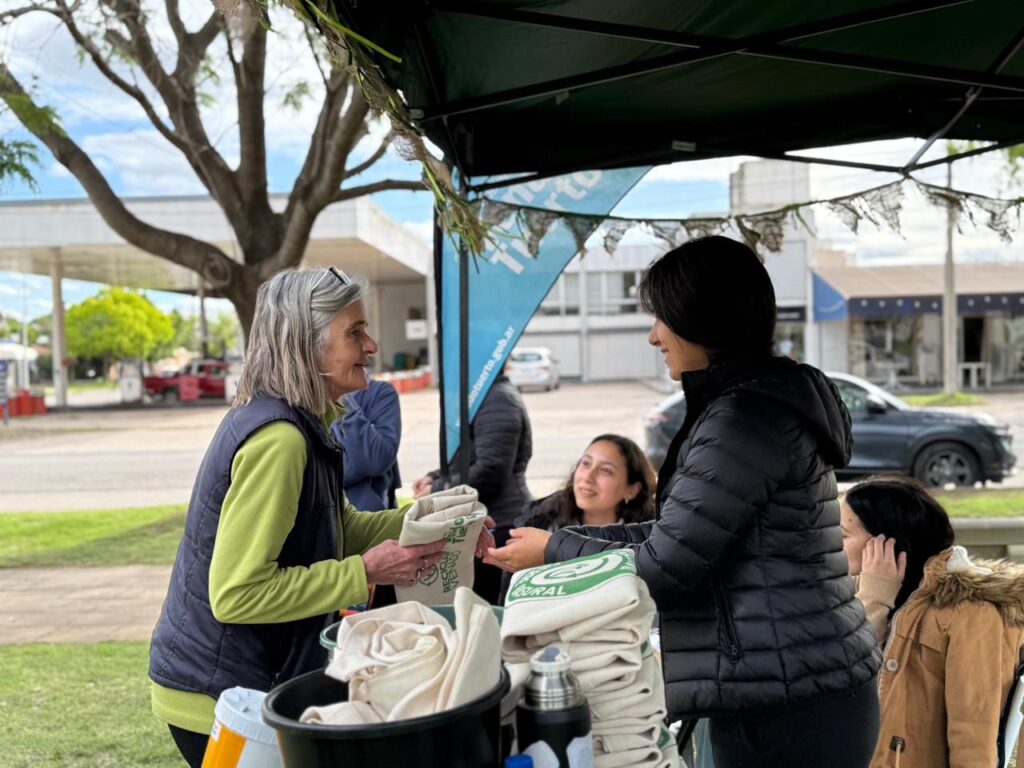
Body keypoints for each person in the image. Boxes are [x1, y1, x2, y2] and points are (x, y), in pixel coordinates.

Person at [488, 236, 880, 768]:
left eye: (662, 318)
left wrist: (555, 552)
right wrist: (553, 542)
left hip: (790, 702)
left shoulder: (743, 421)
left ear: (705, 320)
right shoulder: (744, 406)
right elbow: (669, 535)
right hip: (784, 684)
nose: (654, 336)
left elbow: (666, 567)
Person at [148, 267, 493, 768]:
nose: (371, 345)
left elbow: (341, 530)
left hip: (239, 679)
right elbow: (237, 593)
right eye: (354, 333)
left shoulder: (306, 425)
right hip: (219, 697)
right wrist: (365, 573)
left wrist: (434, 521)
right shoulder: (280, 441)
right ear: (304, 346)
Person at [842, 475, 1024, 767]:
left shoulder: (971, 615)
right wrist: (874, 599)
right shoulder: (866, 593)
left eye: (843, 536)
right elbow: (843, 688)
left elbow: (973, 736)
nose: (834, 546)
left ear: (887, 544)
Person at [412, 361, 532, 603]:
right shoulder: (482, 395)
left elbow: (492, 469)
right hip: (484, 520)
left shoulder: (496, 399)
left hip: (498, 523)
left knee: (483, 610)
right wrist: (436, 477)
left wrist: (437, 490)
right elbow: (469, 458)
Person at [516, 433, 656, 532]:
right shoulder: (540, 521)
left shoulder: (653, 537)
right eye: (586, 463)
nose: (588, 477)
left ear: (631, 490)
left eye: (605, 471)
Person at [333, 378, 402, 512]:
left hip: (369, 518)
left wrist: (342, 399)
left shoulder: (380, 393)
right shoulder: (300, 397)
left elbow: (375, 461)